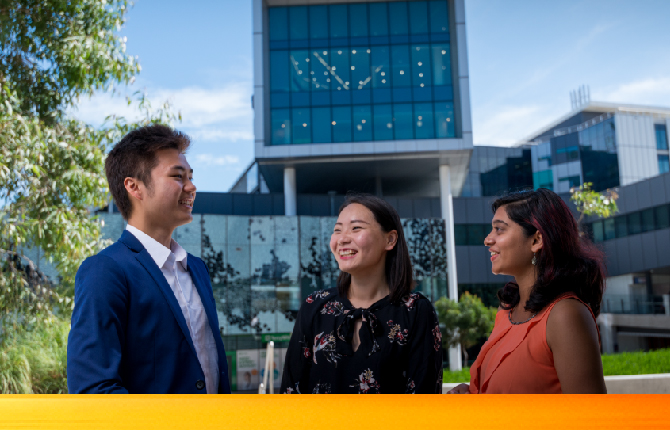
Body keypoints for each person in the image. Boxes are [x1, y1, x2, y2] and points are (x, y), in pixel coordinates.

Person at [67, 125, 231, 394]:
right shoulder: (106, 271)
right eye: (178, 177)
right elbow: (93, 388)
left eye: (190, 176)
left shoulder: (197, 268)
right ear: (134, 187)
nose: (191, 187)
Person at [448, 188, 607, 394]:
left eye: (499, 229)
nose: (488, 240)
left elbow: (590, 418)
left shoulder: (565, 315)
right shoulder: (507, 312)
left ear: (536, 240)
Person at [280, 194, 443, 394]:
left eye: (356, 228)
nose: (342, 239)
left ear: (390, 239)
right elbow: (291, 392)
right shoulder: (315, 305)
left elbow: (424, 400)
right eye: (337, 230)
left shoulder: (416, 311)